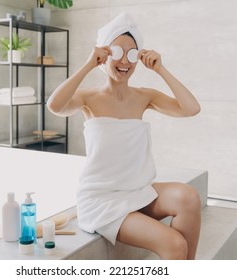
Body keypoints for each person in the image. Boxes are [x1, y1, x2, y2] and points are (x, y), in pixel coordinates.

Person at [47, 13, 201, 260]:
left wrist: (161, 70)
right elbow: (54, 105)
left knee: (189, 197)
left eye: (132, 54)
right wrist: (88, 64)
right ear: (104, 55)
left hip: (138, 191)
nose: (124, 62)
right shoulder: (89, 99)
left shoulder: (144, 96)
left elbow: (191, 108)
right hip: (103, 200)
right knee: (174, 243)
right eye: (117, 53)